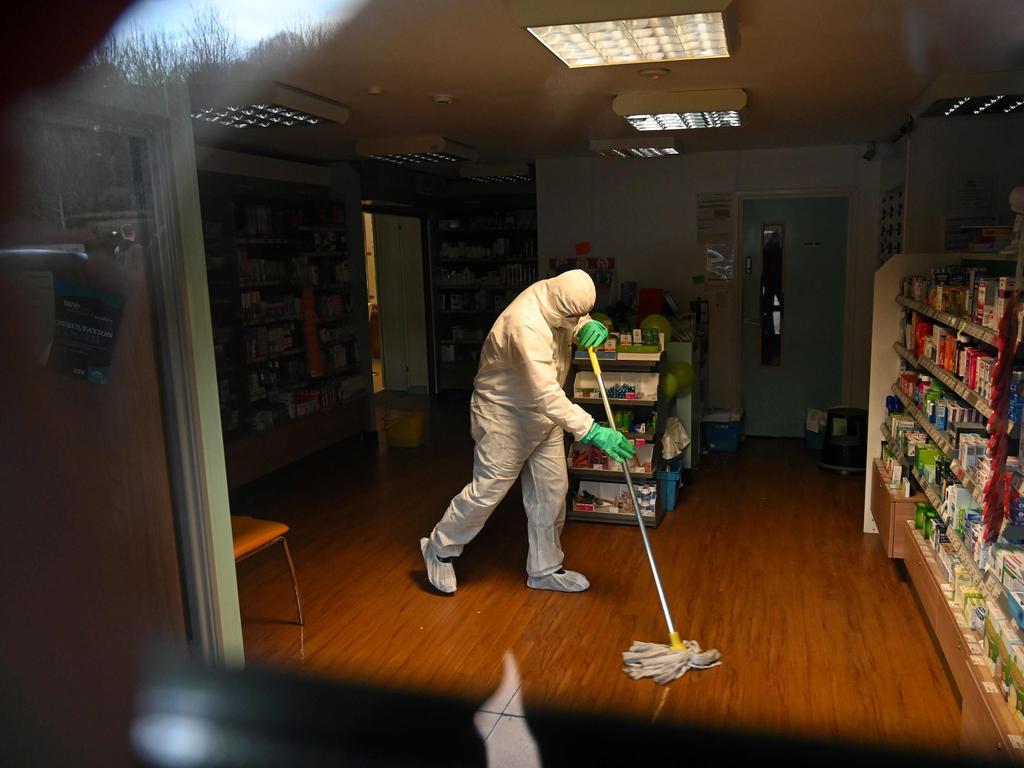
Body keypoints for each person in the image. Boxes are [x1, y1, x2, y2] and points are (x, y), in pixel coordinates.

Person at [420, 269, 636, 594]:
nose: (574, 318)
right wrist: (593, 430)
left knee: (551, 490)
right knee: (487, 492)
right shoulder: (525, 324)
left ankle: (544, 569)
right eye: (572, 316)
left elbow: (570, 318)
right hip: (504, 415)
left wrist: (586, 325)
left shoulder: (557, 293)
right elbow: (546, 394)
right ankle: (439, 547)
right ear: (557, 306)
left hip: (544, 416)